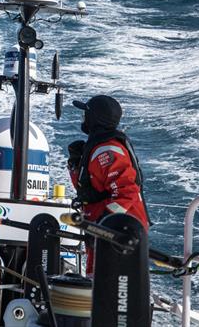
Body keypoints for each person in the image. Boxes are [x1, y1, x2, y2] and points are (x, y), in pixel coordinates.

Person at [67, 94, 150, 276]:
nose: (83, 119)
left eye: (86, 114)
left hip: (119, 233)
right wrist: (75, 165)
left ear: (94, 118)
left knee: (107, 288)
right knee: (94, 284)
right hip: (103, 231)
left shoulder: (107, 151)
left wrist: (103, 224)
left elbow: (126, 193)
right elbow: (89, 192)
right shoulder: (97, 148)